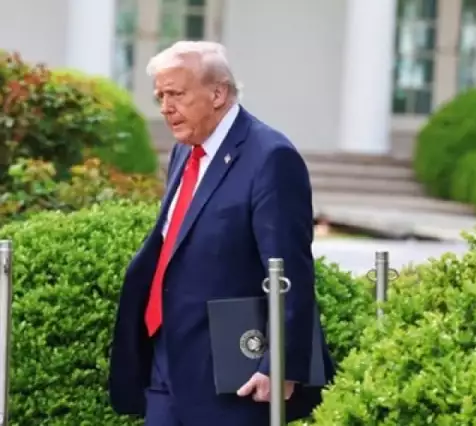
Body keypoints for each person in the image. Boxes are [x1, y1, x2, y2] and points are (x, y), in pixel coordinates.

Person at [108, 40, 334, 426]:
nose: (165, 107)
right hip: (165, 362)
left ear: (217, 93)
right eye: (160, 96)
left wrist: (279, 364)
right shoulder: (185, 150)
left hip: (231, 371)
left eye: (176, 94)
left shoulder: (271, 156)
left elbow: (288, 270)